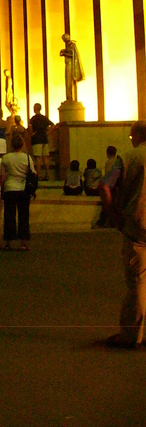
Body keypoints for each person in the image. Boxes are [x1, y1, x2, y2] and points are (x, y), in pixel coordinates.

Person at [106, 120, 146, 348]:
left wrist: (114, 214)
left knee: (138, 282)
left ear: (138, 136)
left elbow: (105, 186)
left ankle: (132, 335)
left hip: (138, 225)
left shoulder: (129, 157)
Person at [1, 133, 35, 250]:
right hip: (23, 189)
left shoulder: (6, 158)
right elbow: (33, 173)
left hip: (9, 188)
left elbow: (2, 176)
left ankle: (8, 242)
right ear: (22, 144)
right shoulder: (27, 157)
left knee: (9, 216)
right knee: (23, 216)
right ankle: (23, 242)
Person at [28, 103, 54, 182]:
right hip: (44, 138)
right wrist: (48, 133)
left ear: (34, 109)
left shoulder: (33, 118)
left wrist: (32, 134)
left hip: (36, 139)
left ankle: (39, 175)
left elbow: (30, 127)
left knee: (38, 158)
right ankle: (48, 175)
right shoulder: (44, 118)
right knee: (45, 157)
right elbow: (53, 125)